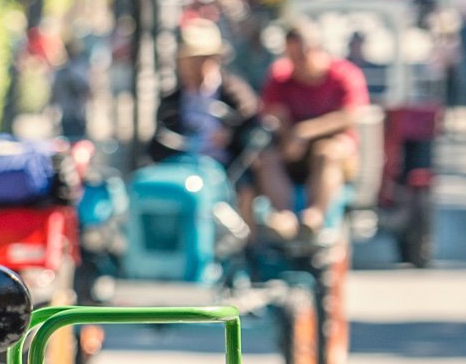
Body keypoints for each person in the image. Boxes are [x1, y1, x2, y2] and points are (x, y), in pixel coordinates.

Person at [254, 23, 369, 240]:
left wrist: (305, 132)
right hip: (293, 152)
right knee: (267, 158)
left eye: (302, 55)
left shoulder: (343, 75)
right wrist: (287, 134)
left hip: (335, 152)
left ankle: (315, 215)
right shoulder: (281, 77)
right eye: (292, 56)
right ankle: (283, 216)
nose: (297, 62)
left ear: (317, 49)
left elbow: (351, 115)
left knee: (327, 153)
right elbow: (273, 112)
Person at [149, 19, 262, 166]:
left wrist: (232, 135)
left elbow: (255, 138)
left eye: (197, 60)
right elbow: (157, 146)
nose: (189, 68)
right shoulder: (170, 103)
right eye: (185, 60)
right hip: (183, 170)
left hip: (227, 171)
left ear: (214, 60)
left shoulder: (238, 97)